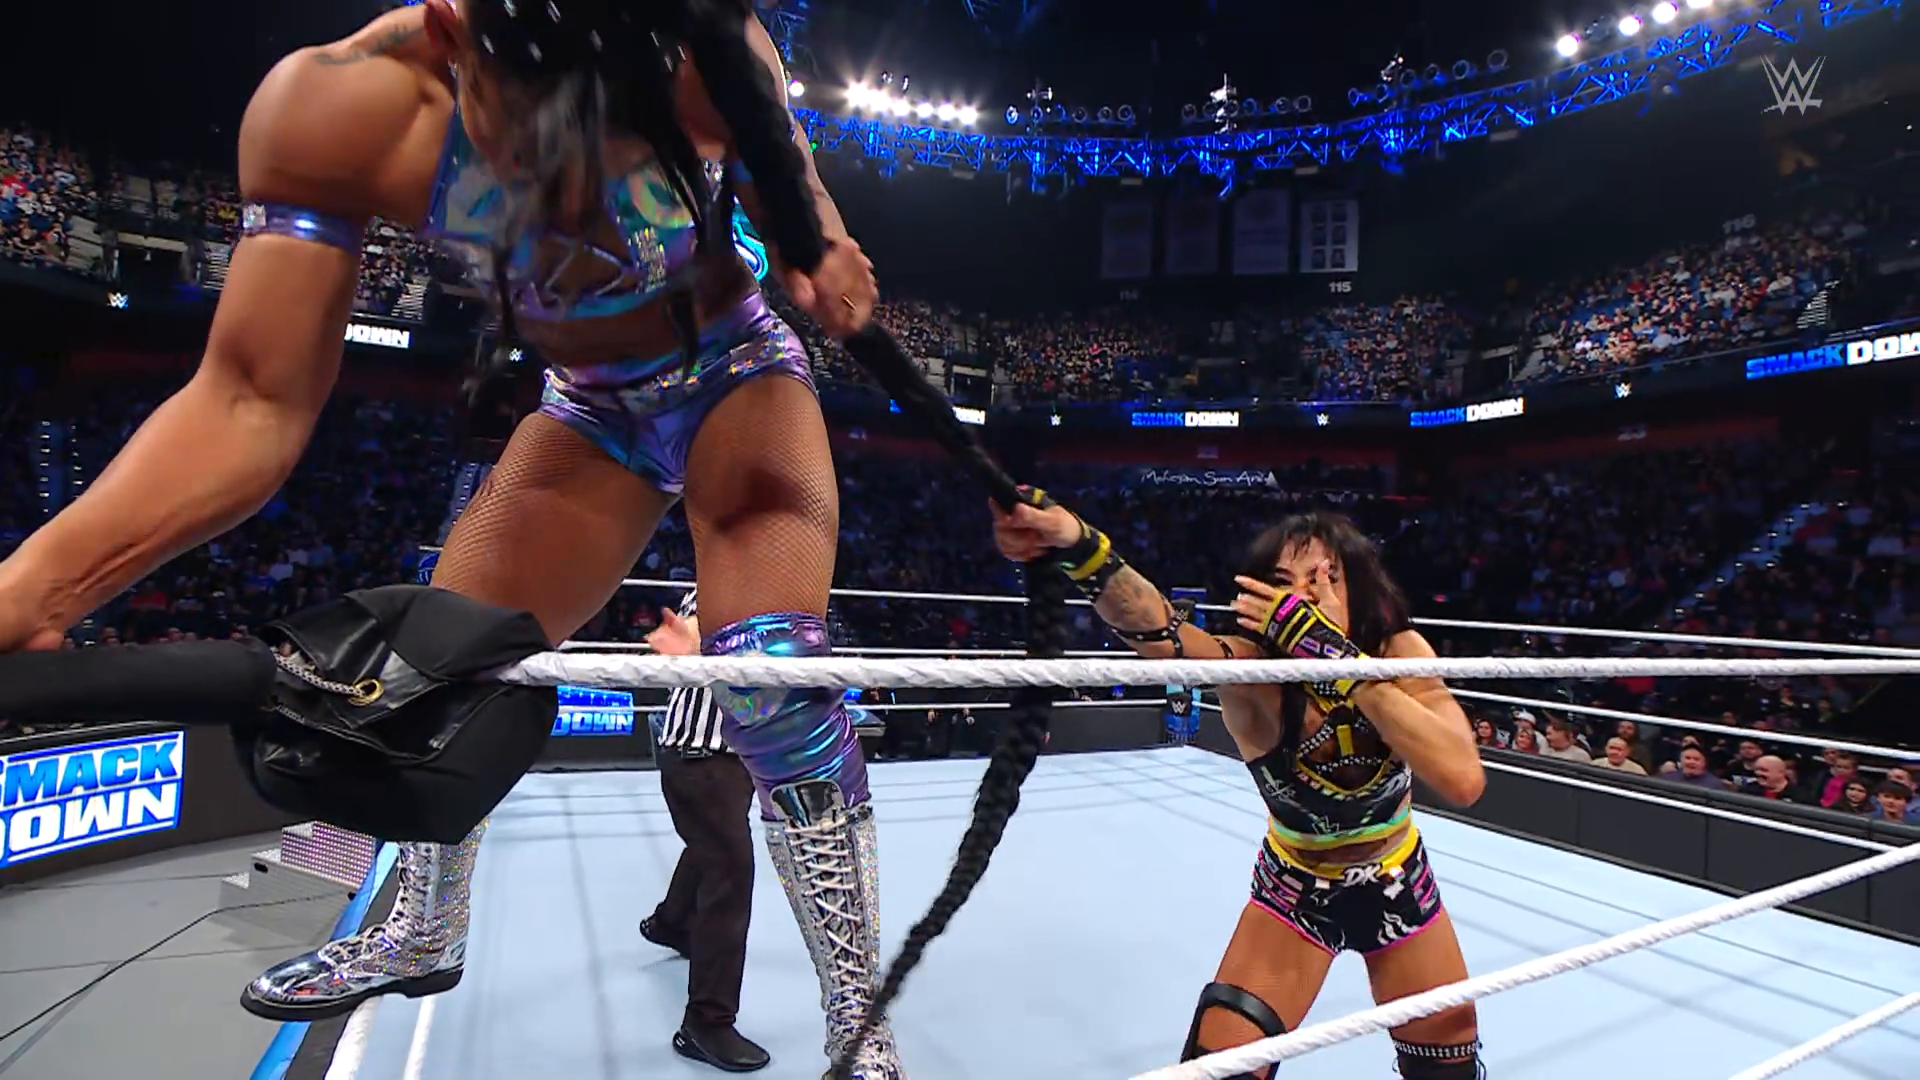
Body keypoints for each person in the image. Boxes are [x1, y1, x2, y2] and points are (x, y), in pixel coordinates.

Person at [0, 1, 904, 1075]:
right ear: (450, 37)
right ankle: (424, 930)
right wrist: (41, 587)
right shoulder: (343, 107)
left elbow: (789, 175)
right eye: (536, 147)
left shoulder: (706, 55)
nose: (571, 195)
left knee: (774, 686)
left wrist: (820, 237)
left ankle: (861, 1021)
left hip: (733, 375)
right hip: (592, 412)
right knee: (434, 667)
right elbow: (248, 400)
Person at [990, 498, 1487, 1078]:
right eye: (1286, 584)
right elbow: (1163, 636)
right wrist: (1077, 543)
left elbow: (1463, 778)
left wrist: (1339, 661)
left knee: (1448, 1060)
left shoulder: (1399, 653)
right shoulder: (1252, 674)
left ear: (1358, 585)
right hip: (1299, 885)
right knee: (1225, 1064)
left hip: (1399, 874)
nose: (1307, 596)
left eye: (1325, 577)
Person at [642, 587, 768, 1073]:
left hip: (725, 760)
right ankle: (707, 1022)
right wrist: (696, 645)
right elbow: (695, 638)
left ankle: (672, 923)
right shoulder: (725, 588)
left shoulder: (760, 594)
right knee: (731, 871)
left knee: (710, 847)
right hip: (702, 760)